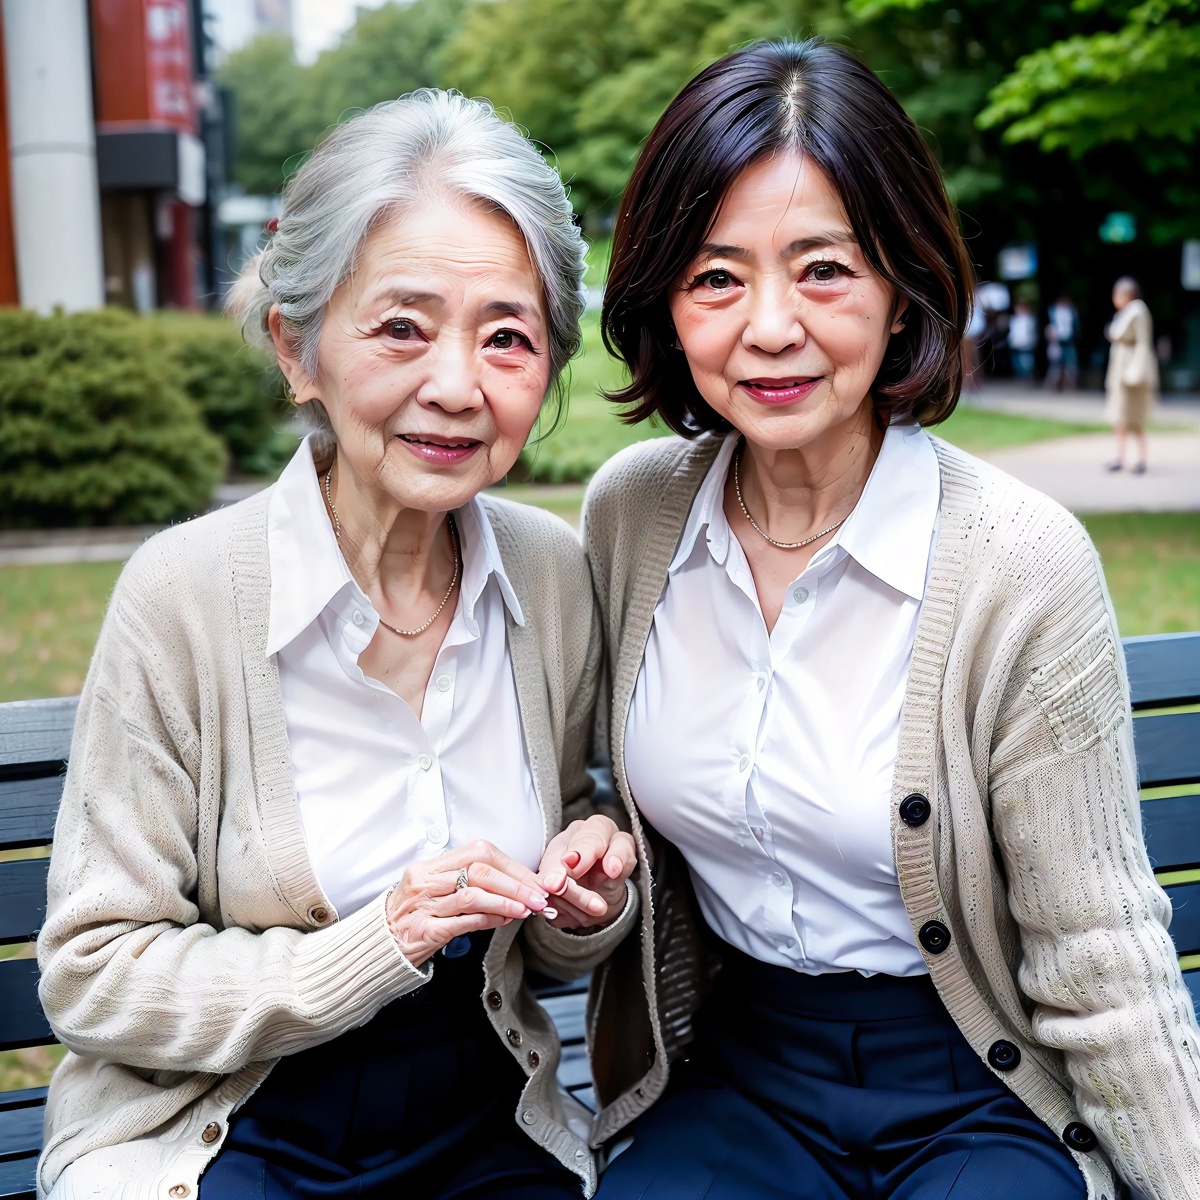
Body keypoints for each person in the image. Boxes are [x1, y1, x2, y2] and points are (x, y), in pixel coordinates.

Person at [582, 39, 1200, 1200]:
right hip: (742, 1074)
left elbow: (1099, 947)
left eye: (822, 270)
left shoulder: (1018, 562)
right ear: (665, 300)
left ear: (901, 282)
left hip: (974, 1081)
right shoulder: (633, 519)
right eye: (716, 278)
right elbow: (586, 793)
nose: (769, 326)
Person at [35, 91, 639, 1200]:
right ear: (295, 346)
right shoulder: (185, 593)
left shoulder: (550, 576)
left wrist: (588, 904)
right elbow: (91, 973)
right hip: (230, 1122)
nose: (456, 386)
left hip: (485, 1113)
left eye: (507, 337)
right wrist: (373, 945)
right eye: (402, 326)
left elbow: (555, 931)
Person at [1105, 276, 1158, 474]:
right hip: (1122, 370)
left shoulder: (1137, 311)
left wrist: (1136, 372)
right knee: (1120, 416)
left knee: (1134, 417)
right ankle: (1119, 457)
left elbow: (1143, 343)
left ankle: (1141, 459)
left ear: (1125, 295)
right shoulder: (1127, 313)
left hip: (1131, 373)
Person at [1047, 294, 1081, 390]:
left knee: (1071, 364)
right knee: (1055, 366)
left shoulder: (1072, 312)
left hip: (1069, 341)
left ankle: (1070, 385)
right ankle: (1054, 385)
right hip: (1056, 342)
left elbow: (1076, 327)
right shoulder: (1053, 311)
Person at [1007, 299, 1038, 382]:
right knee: (1017, 363)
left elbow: (1030, 332)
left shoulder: (1030, 319)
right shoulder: (1014, 319)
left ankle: (1028, 377)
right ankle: (1021, 377)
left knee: (1027, 362)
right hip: (1015, 344)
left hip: (1026, 344)